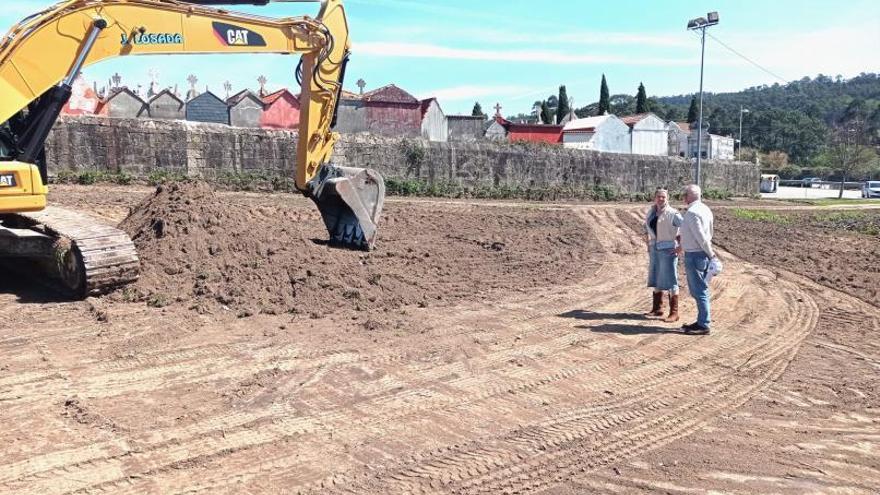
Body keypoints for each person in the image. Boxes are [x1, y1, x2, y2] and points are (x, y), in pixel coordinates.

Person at [677, 184, 717, 335]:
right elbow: (710, 233)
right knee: (701, 288)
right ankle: (702, 321)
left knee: (699, 290)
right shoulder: (705, 209)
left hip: (695, 255)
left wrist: (711, 254)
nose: (683, 198)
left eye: (684, 195)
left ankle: (703, 324)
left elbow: (701, 238)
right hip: (700, 254)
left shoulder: (692, 213)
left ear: (687, 196)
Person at [643, 188, 683, 323]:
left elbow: (685, 228)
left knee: (671, 280)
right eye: (659, 197)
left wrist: (680, 247)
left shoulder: (673, 213)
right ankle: (657, 308)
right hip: (655, 248)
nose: (661, 199)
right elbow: (646, 228)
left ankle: (674, 313)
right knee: (656, 276)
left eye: (663, 197)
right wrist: (648, 244)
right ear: (655, 198)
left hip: (668, 250)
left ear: (668, 199)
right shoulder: (651, 212)